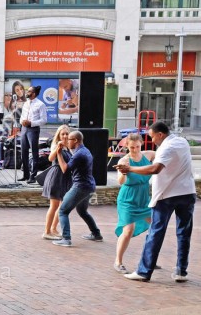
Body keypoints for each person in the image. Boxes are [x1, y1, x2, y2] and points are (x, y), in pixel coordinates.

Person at [119, 121, 195, 283]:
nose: (152, 140)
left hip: (166, 196)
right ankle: (181, 271)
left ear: (160, 134)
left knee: (155, 232)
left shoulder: (166, 148)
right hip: (187, 193)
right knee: (184, 233)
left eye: (152, 136)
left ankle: (144, 271)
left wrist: (130, 169)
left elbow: (155, 169)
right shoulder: (182, 142)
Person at [52, 130, 103, 247]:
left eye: (69, 139)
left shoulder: (79, 154)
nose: (67, 141)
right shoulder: (85, 150)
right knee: (82, 211)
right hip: (89, 186)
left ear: (75, 140)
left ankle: (66, 238)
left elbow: (65, 169)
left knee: (63, 211)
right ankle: (96, 234)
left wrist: (58, 152)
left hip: (80, 186)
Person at [113, 133, 154, 273]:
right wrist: (124, 172)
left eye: (137, 146)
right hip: (128, 199)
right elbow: (120, 181)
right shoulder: (124, 160)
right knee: (128, 229)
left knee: (155, 226)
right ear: (127, 146)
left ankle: (149, 259)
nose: (135, 150)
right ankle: (118, 261)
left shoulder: (148, 155)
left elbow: (164, 155)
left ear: (141, 144)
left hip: (143, 198)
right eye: (131, 147)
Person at [40, 125, 72, 240]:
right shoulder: (57, 145)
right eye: (62, 134)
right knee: (54, 205)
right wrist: (57, 148)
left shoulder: (69, 147)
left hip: (65, 177)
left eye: (66, 134)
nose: (64, 136)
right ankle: (47, 231)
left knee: (63, 204)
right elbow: (50, 158)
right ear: (59, 135)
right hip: (56, 176)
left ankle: (53, 228)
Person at [19, 85, 47, 184]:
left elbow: (44, 120)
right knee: (24, 152)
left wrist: (31, 123)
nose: (27, 92)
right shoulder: (26, 103)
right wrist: (22, 121)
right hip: (24, 129)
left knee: (34, 153)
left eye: (29, 91)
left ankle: (33, 175)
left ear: (33, 93)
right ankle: (25, 174)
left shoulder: (40, 104)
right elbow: (22, 116)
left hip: (33, 129)